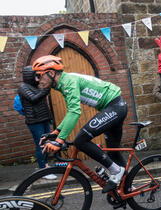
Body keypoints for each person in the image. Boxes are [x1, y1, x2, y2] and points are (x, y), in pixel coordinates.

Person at [32, 55, 128, 193]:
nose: (37, 80)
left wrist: (59, 141)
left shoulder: (68, 82)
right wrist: (56, 132)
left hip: (115, 106)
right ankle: (128, 187)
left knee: (80, 140)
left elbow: (74, 112)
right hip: (114, 107)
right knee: (114, 153)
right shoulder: (63, 83)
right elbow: (71, 112)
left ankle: (116, 171)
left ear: (51, 73)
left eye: (39, 76)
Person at [18, 66, 56, 180]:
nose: (38, 77)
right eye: (36, 75)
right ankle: (43, 169)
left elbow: (44, 105)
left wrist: (49, 117)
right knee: (40, 145)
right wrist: (45, 90)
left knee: (47, 143)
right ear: (29, 75)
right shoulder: (23, 87)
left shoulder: (38, 86)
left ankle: (45, 166)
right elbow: (33, 99)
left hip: (43, 119)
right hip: (34, 121)